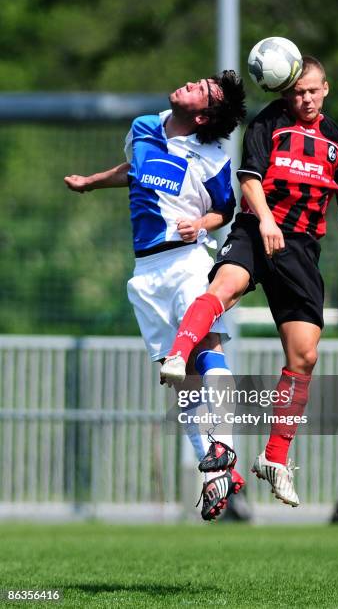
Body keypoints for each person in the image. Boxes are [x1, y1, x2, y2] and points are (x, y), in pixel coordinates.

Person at [160, 56, 338, 507]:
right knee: (223, 289)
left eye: (313, 91)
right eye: (298, 92)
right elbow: (250, 180)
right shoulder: (268, 124)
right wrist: (264, 222)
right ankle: (179, 356)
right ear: (286, 91)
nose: (306, 99)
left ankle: (274, 457)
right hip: (256, 232)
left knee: (305, 355)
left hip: (301, 251)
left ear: (326, 89)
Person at [64, 71, 247, 521]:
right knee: (178, 382)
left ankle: (224, 444)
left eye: (201, 89)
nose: (190, 84)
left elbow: (225, 210)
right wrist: (91, 182)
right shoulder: (145, 126)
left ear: (202, 114)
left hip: (187, 261)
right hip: (145, 273)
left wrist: (201, 225)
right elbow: (135, 171)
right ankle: (213, 473)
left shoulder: (212, 157)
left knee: (206, 351)